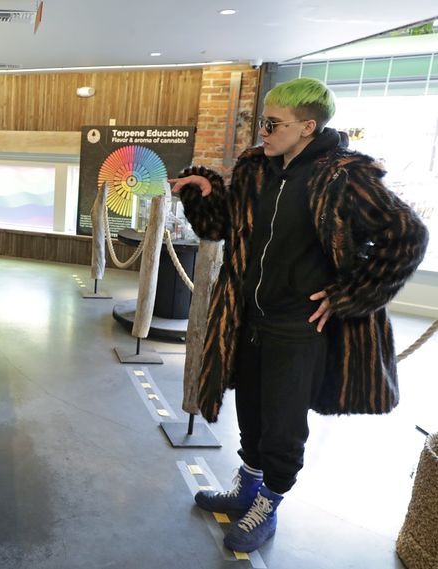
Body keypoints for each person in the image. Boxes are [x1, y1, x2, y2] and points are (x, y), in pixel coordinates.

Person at [168, 77, 428, 553]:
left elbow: (408, 235)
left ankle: (269, 500)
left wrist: (351, 294)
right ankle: (246, 486)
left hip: (300, 327)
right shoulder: (256, 168)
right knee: (250, 412)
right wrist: (203, 192)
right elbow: (221, 227)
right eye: (260, 122)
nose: (262, 132)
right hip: (248, 318)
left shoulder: (345, 176)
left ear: (308, 126)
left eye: (272, 124)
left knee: (284, 425)